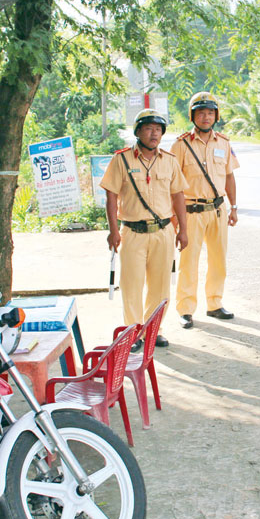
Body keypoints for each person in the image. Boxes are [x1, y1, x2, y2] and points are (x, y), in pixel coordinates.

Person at [101, 109, 188, 351]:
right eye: (149, 129)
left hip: (163, 231)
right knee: (132, 285)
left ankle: (153, 330)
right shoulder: (122, 160)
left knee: (160, 287)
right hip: (132, 232)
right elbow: (111, 195)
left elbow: (178, 195)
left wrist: (183, 230)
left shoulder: (169, 161)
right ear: (138, 131)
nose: (154, 134)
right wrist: (113, 230)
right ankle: (133, 332)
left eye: (158, 130)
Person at [170, 92, 240, 329]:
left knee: (218, 260)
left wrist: (234, 208)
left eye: (210, 113)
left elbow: (229, 177)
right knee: (189, 261)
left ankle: (215, 304)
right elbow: (172, 184)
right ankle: (186, 309)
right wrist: (174, 217)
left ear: (216, 116)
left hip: (218, 210)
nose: (206, 117)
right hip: (191, 211)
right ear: (193, 116)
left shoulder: (224, 142)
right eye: (201, 113)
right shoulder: (180, 145)